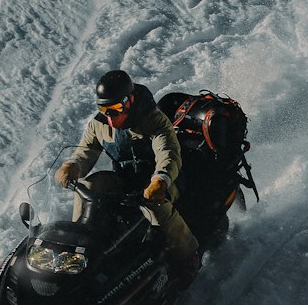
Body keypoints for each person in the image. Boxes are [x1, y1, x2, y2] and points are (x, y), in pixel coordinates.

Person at [55, 70, 201, 282]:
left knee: (155, 206)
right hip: (125, 181)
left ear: (130, 101)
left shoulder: (154, 120)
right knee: (89, 186)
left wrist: (161, 179)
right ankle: (80, 245)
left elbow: (168, 153)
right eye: (104, 109)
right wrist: (73, 166)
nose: (110, 116)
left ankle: (188, 255)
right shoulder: (100, 124)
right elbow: (86, 150)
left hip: (160, 182)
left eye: (115, 109)